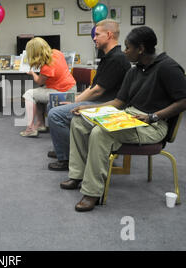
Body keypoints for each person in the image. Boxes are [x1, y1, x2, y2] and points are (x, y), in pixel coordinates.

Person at [60, 26, 186, 212]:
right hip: (129, 116)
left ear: (141, 49)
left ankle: (92, 192)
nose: (125, 51)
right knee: (79, 122)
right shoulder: (134, 71)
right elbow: (117, 102)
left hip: (153, 125)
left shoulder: (167, 67)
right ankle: (77, 175)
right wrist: (87, 109)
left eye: (128, 47)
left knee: (101, 133)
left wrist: (154, 116)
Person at [47, 19, 131, 171]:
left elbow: (97, 91)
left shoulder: (117, 58)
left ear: (109, 34)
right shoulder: (108, 56)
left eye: (97, 34)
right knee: (52, 103)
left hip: (106, 106)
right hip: (97, 100)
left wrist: (74, 102)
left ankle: (68, 158)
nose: (94, 38)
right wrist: (74, 99)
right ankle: (63, 148)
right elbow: (94, 87)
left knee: (54, 114)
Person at [20, 37, 76, 137]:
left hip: (63, 94)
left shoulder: (47, 67)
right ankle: (40, 124)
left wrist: (32, 73)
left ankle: (30, 129)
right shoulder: (57, 52)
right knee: (39, 93)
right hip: (71, 88)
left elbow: (39, 82)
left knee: (29, 94)